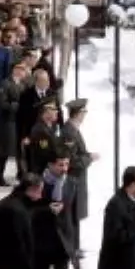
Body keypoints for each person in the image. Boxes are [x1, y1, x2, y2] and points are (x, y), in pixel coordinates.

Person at [31, 152, 78, 269]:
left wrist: (74, 248)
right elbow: (29, 210)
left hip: (62, 241)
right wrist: (46, 210)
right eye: (60, 165)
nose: (64, 168)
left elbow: (73, 218)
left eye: (66, 164)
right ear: (50, 165)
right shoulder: (37, 182)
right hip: (42, 239)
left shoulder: (72, 183)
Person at [59, 98, 97, 230]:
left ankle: (74, 247)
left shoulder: (73, 129)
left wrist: (87, 155)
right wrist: (89, 158)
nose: (85, 114)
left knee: (74, 217)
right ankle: (71, 248)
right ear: (77, 113)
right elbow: (72, 160)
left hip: (76, 180)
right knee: (71, 216)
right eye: (83, 111)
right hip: (72, 180)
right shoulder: (69, 132)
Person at [0, 60, 30, 186]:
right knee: (3, 152)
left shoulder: (24, 84)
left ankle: (22, 174)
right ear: (13, 69)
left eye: (23, 69)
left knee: (20, 150)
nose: (20, 71)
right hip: (7, 122)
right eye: (18, 68)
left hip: (19, 122)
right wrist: (17, 106)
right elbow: (1, 103)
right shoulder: (5, 83)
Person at [16, 65, 55, 160]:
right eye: (44, 80)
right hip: (31, 134)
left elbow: (59, 114)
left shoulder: (52, 94)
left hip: (47, 134)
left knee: (45, 157)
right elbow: (21, 118)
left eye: (48, 80)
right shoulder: (26, 95)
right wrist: (24, 136)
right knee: (30, 159)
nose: (47, 83)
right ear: (36, 81)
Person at [25, 98, 63, 175]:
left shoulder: (50, 127)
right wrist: (61, 157)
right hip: (43, 172)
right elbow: (45, 152)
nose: (57, 112)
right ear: (46, 112)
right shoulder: (41, 130)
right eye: (54, 109)